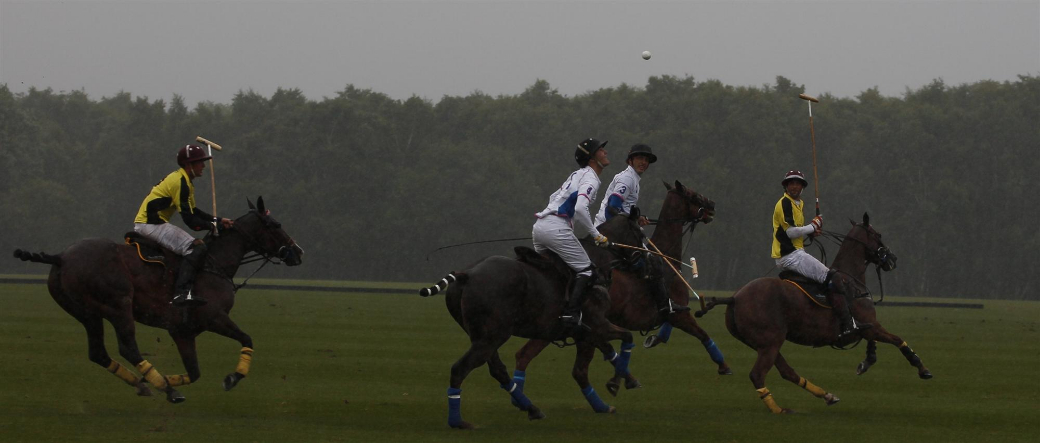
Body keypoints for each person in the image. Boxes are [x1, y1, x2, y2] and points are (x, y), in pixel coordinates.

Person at [772, 169, 871, 336]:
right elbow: (790, 233)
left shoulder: (799, 204)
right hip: (790, 256)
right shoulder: (784, 203)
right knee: (833, 277)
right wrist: (813, 226)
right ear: (786, 186)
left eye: (797, 183)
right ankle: (847, 324)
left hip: (795, 252)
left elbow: (795, 233)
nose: (794, 186)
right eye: (791, 183)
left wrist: (811, 232)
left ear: (802, 187)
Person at [594, 144, 688, 318]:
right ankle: (663, 306)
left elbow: (622, 208)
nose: (643, 162)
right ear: (630, 160)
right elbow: (612, 208)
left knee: (647, 262)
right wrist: (628, 224)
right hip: (611, 230)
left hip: (615, 228)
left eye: (646, 160)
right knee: (653, 261)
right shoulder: (627, 179)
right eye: (639, 158)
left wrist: (636, 218)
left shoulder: (634, 179)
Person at [134, 144, 234, 306]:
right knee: (195, 247)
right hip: (150, 224)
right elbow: (190, 221)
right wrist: (212, 226)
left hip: (151, 223)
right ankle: (181, 293)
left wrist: (217, 220)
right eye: (199, 162)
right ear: (188, 165)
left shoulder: (185, 180)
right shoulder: (180, 183)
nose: (203, 166)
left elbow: (193, 211)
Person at [533, 138, 611, 327]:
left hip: (540, 226)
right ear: (592, 158)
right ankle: (571, 315)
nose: (605, 152)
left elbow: (554, 198)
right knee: (587, 271)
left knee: (558, 273)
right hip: (556, 228)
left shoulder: (576, 174)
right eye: (601, 150)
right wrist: (596, 235)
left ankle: (549, 308)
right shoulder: (591, 177)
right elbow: (580, 209)